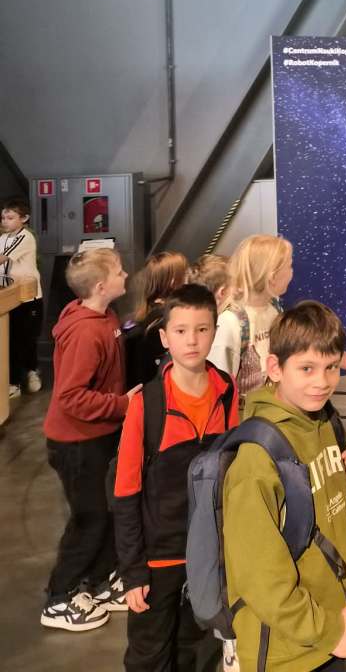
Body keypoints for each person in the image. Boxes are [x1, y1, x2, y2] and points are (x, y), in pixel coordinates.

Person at [222, 301, 346, 671]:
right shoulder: (255, 460)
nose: (322, 382)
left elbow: (321, 509)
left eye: (331, 367)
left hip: (330, 624)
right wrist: (329, 631)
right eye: (306, 368)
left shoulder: (324, 421)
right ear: (275, 368)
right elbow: (260, 578)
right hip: (287, 651)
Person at [113, 283, 239, 672]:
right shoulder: (146, 404)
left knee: (195, 648)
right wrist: (134, 571)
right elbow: (125, 493)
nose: (192, 340)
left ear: (214, 331)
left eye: (202, 329)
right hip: (158, 560)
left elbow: (232, 472)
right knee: (149, 653)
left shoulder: (226, 390)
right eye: (181, 331)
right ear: (165, 337)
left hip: (207, 555)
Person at [41, 247, 137, 631]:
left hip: (97, 437)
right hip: (76, 445)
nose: (126, 276)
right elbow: (70, 396)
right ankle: (59, 596)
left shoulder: (105, 317)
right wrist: (122, 404)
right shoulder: (85, 332)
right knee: (90, 519)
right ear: (100, 286)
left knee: (105, 512)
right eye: (119, 271)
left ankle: (98, 582)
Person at [208, 234, 293, 403]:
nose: (292, 272)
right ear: (272, 277)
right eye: (289, 266)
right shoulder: (230, 322)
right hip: (244, 415)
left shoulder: (274, 310)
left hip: (271, 408)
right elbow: (218, 388)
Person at [125, 251, 190, 389]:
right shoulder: (165, 320)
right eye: (185, 274)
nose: (189, 279)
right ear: (173, 281)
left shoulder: (144, 313)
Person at [1, 196, 43, 396]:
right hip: (11, 296)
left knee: (26, 339)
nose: (5, 221)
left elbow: (2, 258)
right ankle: (16, 381)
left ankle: (29, 374)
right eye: (3, 218)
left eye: (10, 218)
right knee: (13, 340)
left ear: (24, 218)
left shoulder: (25, 237)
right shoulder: (3, 238)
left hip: (29, 298)